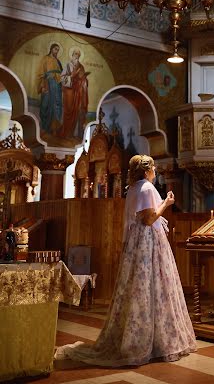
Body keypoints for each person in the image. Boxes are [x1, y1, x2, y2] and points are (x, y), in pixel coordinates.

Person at [55, 154, 196, 367]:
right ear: (147, 171)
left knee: (139, 289)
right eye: (154, 169)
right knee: (155, 287)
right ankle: (154, 342)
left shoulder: (133, 189)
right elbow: (148, 219)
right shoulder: (147, 188)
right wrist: (166, 203)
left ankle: (138, 337)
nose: (155, 172)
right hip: (148, 242)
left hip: (136, 243)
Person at [58, 49, 89, 139]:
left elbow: (83, 78)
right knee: (68, 111)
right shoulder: (68, 65)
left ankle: (70, 133)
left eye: (78, 55)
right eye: (75, 54)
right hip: (69, 91)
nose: (77, 56)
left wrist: (84, 79)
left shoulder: (81, 67)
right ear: (72, 55)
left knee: (75, 112)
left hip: (77, 92)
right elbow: (62, 78)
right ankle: (65, 131)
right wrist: (71, 76)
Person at [37, 43, 63, 135]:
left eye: (58, 50)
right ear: (51, 49)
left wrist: (61, 78)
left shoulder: (57, 61)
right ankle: (44, 126)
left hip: (56, 85)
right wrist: (44, 83)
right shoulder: (45, 58)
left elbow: (61, 74)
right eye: (56, 49)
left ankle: (54, 128)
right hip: (47, 83)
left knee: (56, 105)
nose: (57, 51)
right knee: (45, 104)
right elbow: (40, 72)